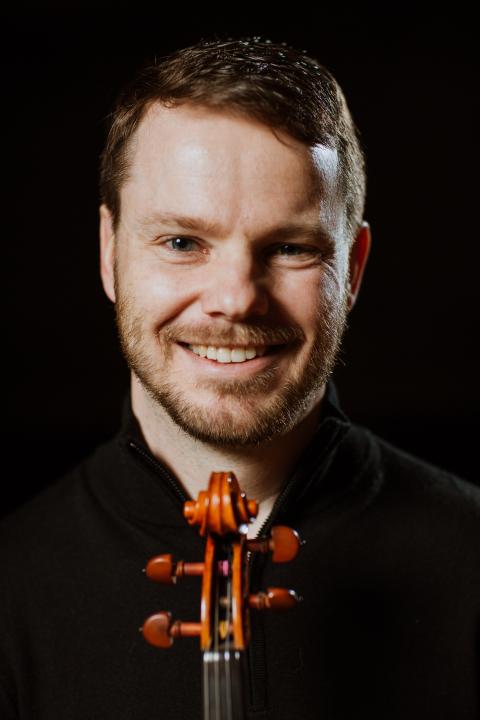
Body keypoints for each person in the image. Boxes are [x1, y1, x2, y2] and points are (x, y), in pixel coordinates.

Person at [1, 36, 478, 720]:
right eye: (181, 243)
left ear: (355, 270)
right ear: (110, 254)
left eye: (290, 248)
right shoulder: (12, 589)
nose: (236, 298)